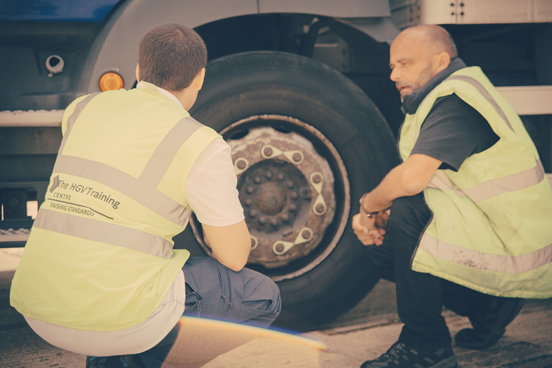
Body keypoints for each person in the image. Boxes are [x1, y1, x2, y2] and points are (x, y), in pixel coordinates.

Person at [10, 23, 281, 368]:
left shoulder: (82, 110)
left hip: (39, 307)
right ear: (199, 78)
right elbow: (234, 256)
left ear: (138, 70)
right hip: (119, 320)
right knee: (262, 297)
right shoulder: (199, 143)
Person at [353, 25, 552, 368]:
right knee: (385, 249)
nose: (393, 75)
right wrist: (383, 218)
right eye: (391, 66)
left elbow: (413, 180)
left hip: (518, 245)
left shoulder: (458, 101)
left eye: (404, 63)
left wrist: (369, 206)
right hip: (498, 231)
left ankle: (425, 345)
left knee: (409, 207)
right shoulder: (438, 98)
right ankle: (487, 309)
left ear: (440, 60)